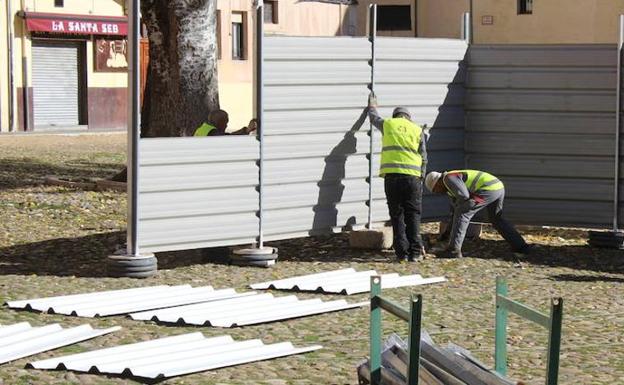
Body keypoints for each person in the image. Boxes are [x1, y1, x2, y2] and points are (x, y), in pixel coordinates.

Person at [368, 94, 427, 262]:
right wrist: (421, 177)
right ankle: (415, 254)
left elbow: (373, 118)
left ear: (396, 116)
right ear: (408, 118)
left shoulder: (388, 124)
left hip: (392, 178)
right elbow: (424, 157)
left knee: (397, 215)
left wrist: (372, 105)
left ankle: (401, 253)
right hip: (412, 179)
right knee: (413, 215)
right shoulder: (417, 129)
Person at [424, 169, 530, 258]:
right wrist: (445, 235)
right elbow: (453, 214)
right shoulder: (450, 186)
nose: (437, 193)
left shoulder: (448, 178)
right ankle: (521, 247)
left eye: (435, 190)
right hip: (497, 187)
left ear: (437, 182)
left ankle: (453, 251)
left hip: (488, 189)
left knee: (463, 214)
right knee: (496, 219)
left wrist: (459, 208)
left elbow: (464, 196)